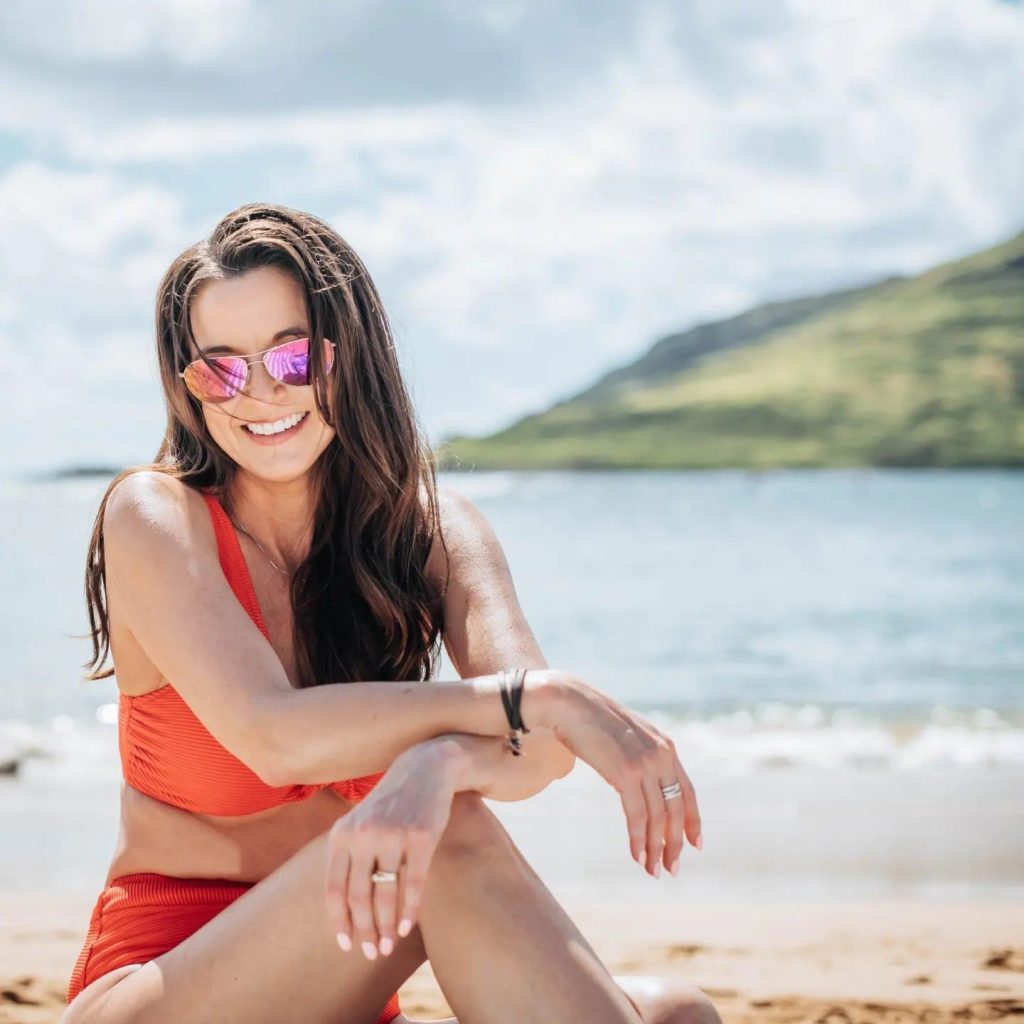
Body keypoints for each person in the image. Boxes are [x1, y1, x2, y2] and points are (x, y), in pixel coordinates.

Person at [60, 202, 720, 1024]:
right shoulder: (156, 517)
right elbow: (274, 737)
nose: (260, 393)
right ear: (188, 387)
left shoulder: (434, 531)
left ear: (353, 352)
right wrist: (530, 698)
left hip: (349, 996)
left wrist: (437, 766)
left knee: (679, 1011)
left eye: (293, 354)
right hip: (165, 990)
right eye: (220, 369)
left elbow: (539, 754)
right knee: (449, 833)